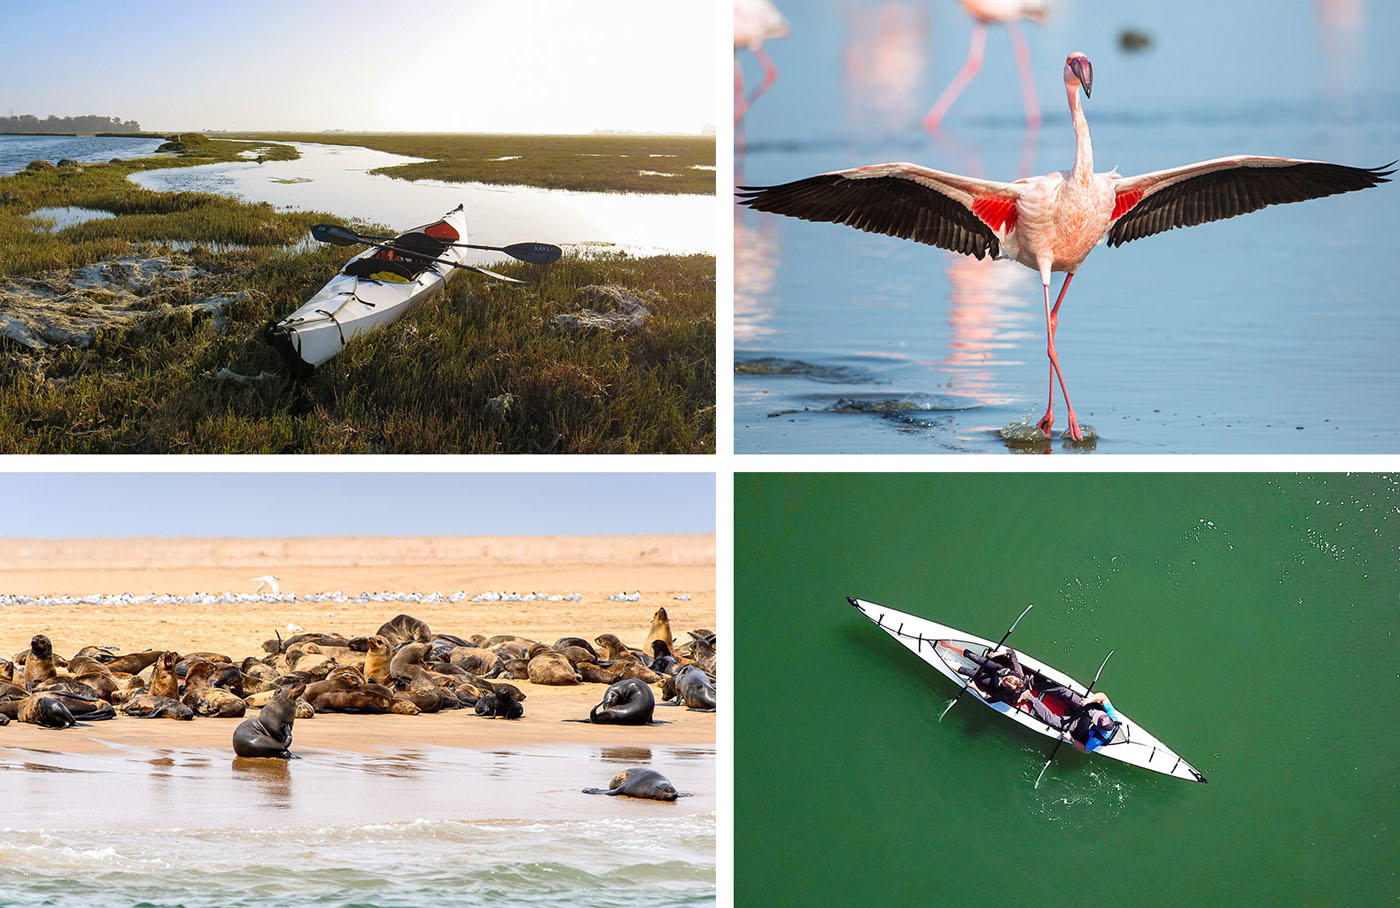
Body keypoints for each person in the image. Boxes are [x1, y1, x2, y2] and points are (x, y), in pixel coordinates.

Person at [1025, 684, 1121, 752]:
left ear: (1099, 727)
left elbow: (1085, 750)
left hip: (1077, 726)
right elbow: (1103, 697)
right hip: (1085, 708)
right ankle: (1033, 685)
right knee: (1064, 691)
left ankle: (1030, 697)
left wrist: (1071, 739)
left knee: (1052, 720)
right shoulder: (1113, 716)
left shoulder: (1097, 740)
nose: (1096, 717)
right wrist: (1089, 700)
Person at [954, 646, 1034, 707]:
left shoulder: (1005, 694)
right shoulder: (1018, 672)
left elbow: (989, 699)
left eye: (1004, 681)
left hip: (992, 681)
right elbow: (1011, 652)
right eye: (1006, 678)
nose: (1003, 679)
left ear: (1005, 686)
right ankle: (947, 645)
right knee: (974, 657)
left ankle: (950, 665)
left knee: (966, 671)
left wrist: (974, 686)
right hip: (999, 670)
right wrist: (995, 654)